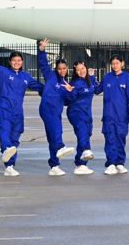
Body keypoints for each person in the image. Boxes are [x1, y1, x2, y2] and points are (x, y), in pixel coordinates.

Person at [0, 39, 43, 177]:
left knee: (15, 138)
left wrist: (57, 90)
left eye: (19, 60)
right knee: (5, 133)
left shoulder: (25, 77)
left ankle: (9, 166)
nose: (16, 62)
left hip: (18, 111)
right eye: (14, 60)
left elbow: (40, 87)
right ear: (10, 62)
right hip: (4, 107)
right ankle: (5, 149)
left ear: (22, 62)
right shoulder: (3, 72)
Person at [35, 39, 77, 176]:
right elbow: (43, 64)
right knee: (57, 131)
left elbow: (67, 102)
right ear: (56, 69)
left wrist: (70, 92)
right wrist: (42, 50)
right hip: (47, 108)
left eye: (64, 68)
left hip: (57, 111)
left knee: (52, 136)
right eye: (59, 68)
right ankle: (60, 147)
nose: (62, 71)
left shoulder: (66, 84)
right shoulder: (50, 75)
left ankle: (54, 166)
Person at [101, 53, 129, 175]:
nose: (115, 66)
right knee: (110, 138)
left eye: (117, 63)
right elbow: (96, 89)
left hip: (122, 114)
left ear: (122, 63)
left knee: (121, 138)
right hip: (108, 114)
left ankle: (120, 163)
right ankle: (111, 163)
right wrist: (90, 77)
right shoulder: (107, 77)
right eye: (113, 64)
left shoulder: (127, 77)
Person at [66, 60, 102, 175]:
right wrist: (70, 92)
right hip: (76, 112)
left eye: (83, 68)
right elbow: (69, 99)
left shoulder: (87, 81)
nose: (81, 71)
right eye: (78, 70)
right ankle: (85, 150)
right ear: (75, 72)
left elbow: (96, 90)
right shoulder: (76, 83)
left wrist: (92, 77)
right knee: (82, 133)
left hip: (86, 113)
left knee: (86, 134)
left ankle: (80, 165)